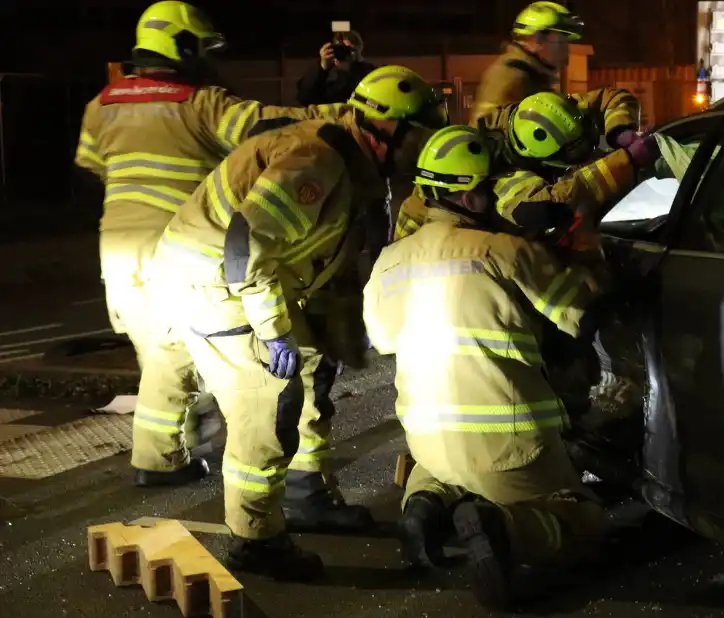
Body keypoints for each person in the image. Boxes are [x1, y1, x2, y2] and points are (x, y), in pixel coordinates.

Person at [148, 65, 446, 580]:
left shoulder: (349, 163)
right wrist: (273, 327)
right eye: (418, 137)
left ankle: (306, 490)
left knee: (311, 370)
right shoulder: (318, 160)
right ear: (386, 131)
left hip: (238, 275)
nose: (423, 149)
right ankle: (255, 538)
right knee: (268, 402)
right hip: (217, 283)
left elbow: (312, 250)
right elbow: (248, 244)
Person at [73, 0, 344, 489]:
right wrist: (345, 115)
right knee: (226, 361)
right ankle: (265, 477)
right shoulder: (199, 103)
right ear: (184, 47)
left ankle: (157, 460)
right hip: (178, 249)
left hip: (116, 254)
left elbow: (91, 167)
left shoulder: (102, 105)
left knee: (162, 356)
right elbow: (270, 124)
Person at [363, 124, 611, 609]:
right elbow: (580, 312)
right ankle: (505, 529)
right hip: (509, 445)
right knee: (585, 520)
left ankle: (425, 505)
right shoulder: (506, 252)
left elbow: (383, 339)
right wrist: (585, 256)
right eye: (490, 188)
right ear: (472, 196)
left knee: (440, 470)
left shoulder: (388, 263)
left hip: (427, 439)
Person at [394, 90, 656, 243]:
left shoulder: (546, 114)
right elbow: (552, 203)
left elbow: (612, 97)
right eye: (572, 153)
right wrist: (627, 161)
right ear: (538, 158)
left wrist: (619, 127)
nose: (586, 153)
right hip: (427, 245)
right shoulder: (501, 176)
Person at [469, 1, 583, 125]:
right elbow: (490, 133)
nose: (566, 50)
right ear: (537, 39)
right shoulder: (511, 79)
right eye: (561, 42)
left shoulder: (533, 77)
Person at [297, 30, 377, 106]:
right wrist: (322, 67)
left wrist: (350, 70)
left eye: (348, 50)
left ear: (359, 50)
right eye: (340, 49)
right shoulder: (322, 74)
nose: (344, 54)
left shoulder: (368, 71)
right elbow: (305, 98)